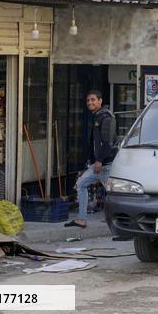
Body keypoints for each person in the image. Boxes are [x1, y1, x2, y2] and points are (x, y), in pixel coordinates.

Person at [65, 91, 117, 228]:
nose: (90, 103)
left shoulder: (105, 117)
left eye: (93, 100)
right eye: (88, 100)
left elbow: (108, 142)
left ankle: (122, 224)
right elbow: (94, 143)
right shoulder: (97, 117)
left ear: (100, 101)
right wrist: (89, 163)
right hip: (99, 164)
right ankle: (81, 220)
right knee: (82, 184)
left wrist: (99, 161)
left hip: (105, 164)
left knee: (114, 194)